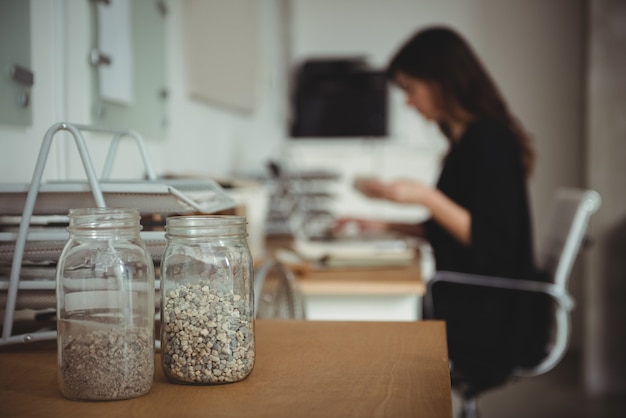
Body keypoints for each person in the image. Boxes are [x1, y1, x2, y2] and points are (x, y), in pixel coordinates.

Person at [334, 26, 547, 395]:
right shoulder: (469, 141)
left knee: (370, 326)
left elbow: (491, 244)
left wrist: (422, 195)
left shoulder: (489, 140)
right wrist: (382, 225)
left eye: (410, 89)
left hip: (492, 315)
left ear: (441, 82)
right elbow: (452, 230)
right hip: (481, 300)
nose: (408, 103)